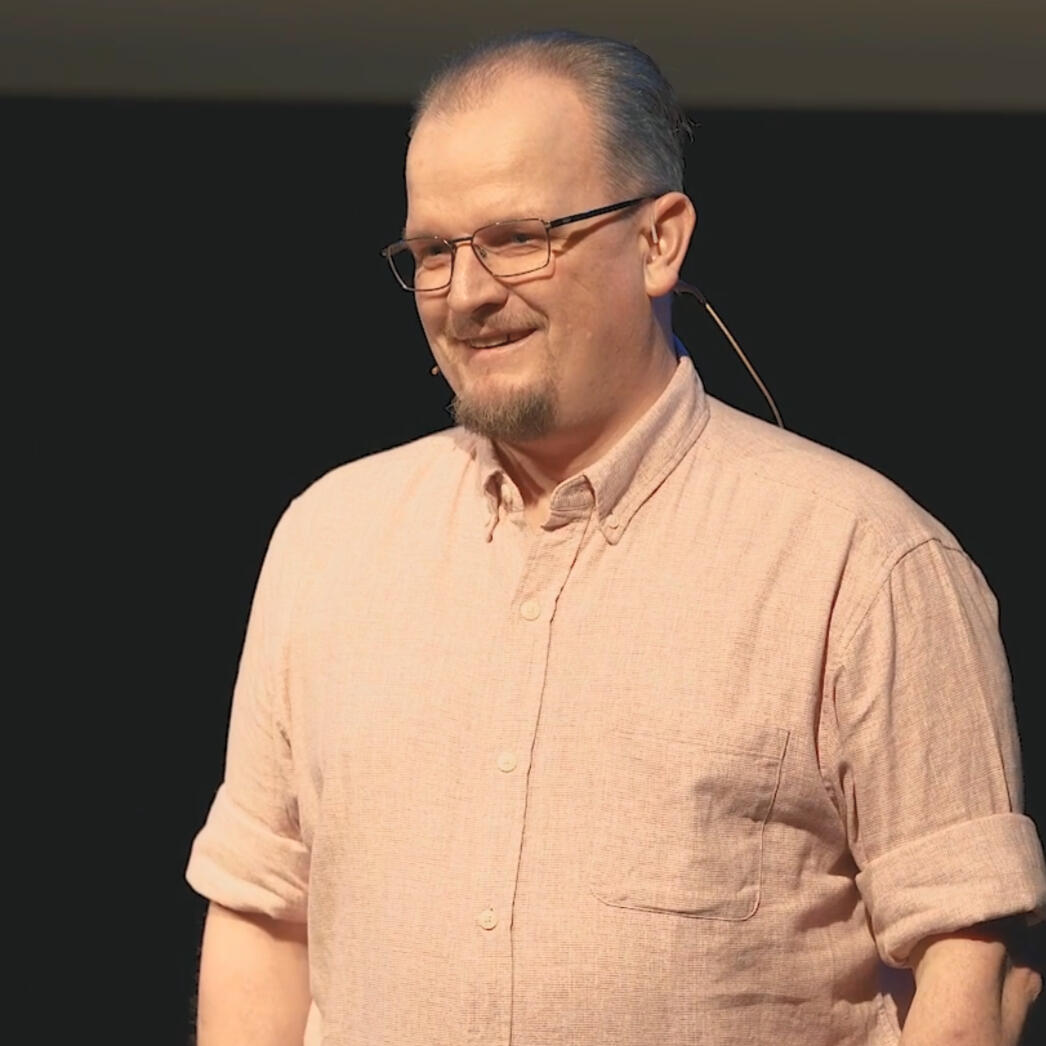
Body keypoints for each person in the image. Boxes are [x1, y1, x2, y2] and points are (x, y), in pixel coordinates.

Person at [186, 29, 1046, 1046]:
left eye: (517, 237)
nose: (467, 293)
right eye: (432, 253)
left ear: (658, 242)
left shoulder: (858, 562)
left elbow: (974, 965)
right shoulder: (329, 540)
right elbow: (263, 914)